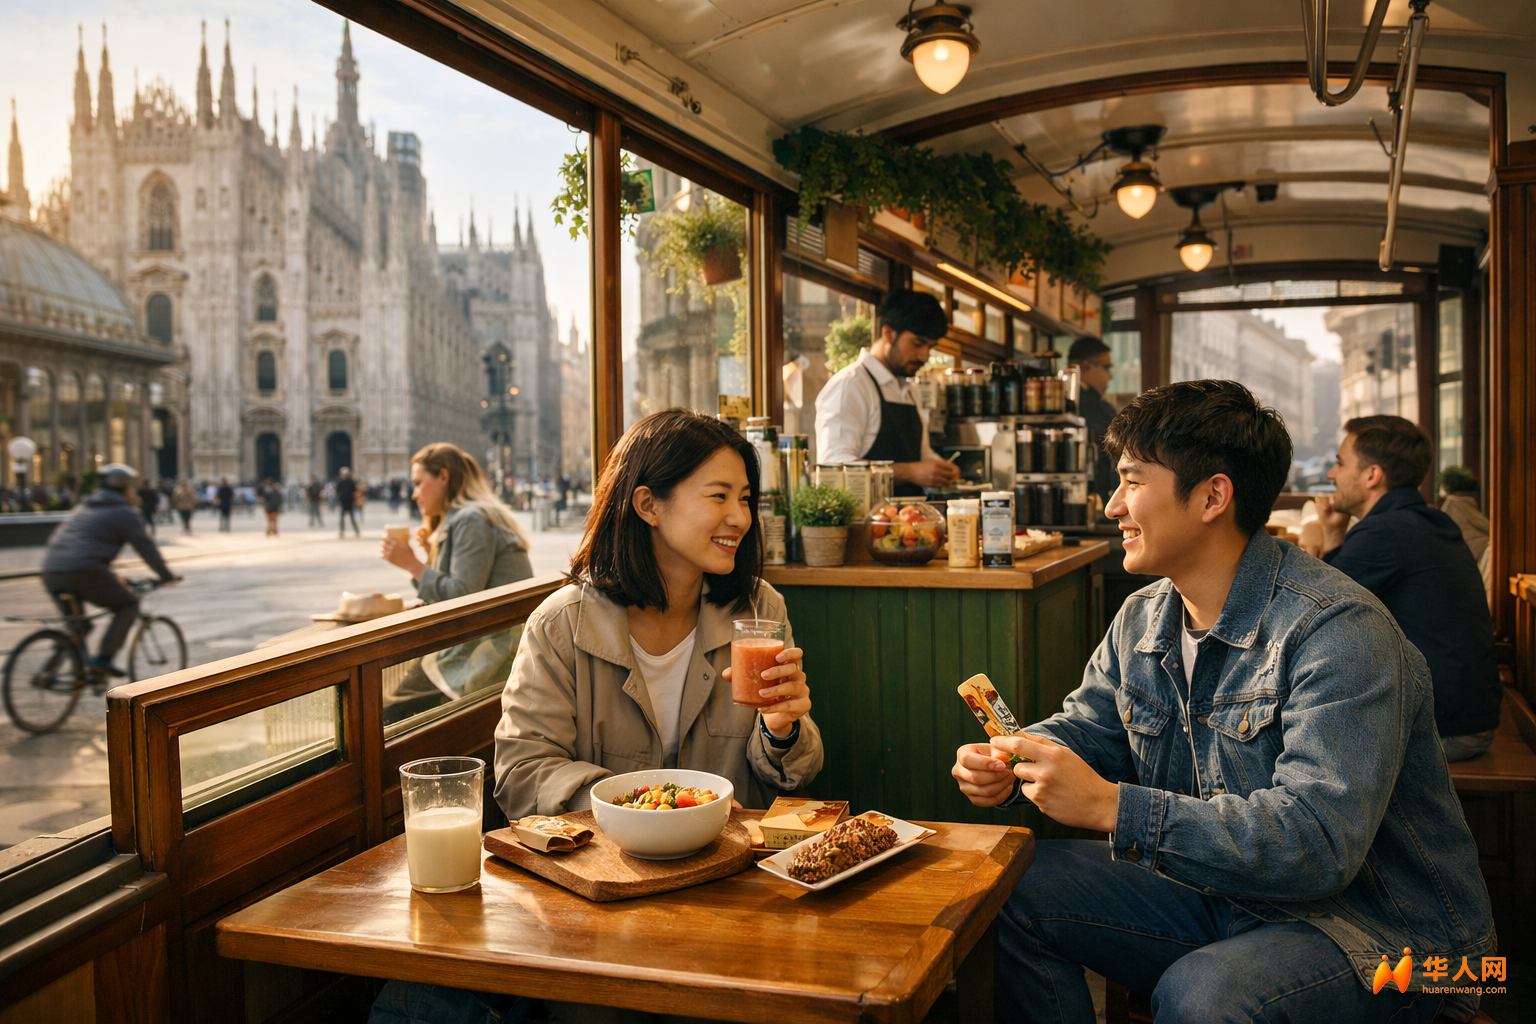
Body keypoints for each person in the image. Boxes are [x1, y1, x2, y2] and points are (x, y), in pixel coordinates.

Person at [951, 381, 1492, 1024]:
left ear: (1213, 495)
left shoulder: (1340, 629)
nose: (1111, 505)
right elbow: (1092, 728)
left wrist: (1113, 807)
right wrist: (1014, 762)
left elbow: (1317, 845)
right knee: (1000, 888)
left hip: (1396, 938)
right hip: (1226, 895)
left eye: (1132, 481)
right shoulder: (1143, 617)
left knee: (1204, 994)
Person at [372, 412, 824, 1024]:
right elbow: (522, 772)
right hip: (596, 903)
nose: (741, 518)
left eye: (745, 498)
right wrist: (647, 807)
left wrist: (783, 728)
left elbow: (794, 779)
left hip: (731, 894)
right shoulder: (563, 623)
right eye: (719, 496)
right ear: (647, 504)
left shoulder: (758, 609)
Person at [1316, 415, 1502, 762]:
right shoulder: (1424, 520)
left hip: (1444, 731)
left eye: (1340, 464)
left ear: (1372, 475)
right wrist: (1333, 535)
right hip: (1468, 719)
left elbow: (1311, 613)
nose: (1331, 474)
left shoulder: (1384, 533)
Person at [378, 443, 535, 721]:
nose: (414, 494)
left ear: (443, 477)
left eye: (417, 483)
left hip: (486, 652)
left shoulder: (472, 519)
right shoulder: (465, 517)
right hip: (485, 642)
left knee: (387, 717)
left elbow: (463, 595)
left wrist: (413, 565)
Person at [813, 289, 960, 496]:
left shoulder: (910, 391)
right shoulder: (850, 386)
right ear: (888, 333)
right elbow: (834, 467)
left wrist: (940, 469)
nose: (924, 355)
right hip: (866, 524)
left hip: (911, 522)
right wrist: (909, 472)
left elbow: (922, 454)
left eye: (930, 347)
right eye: (917, 343)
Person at [39, 464, 180, 677]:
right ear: (124, 489)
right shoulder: (123, 512)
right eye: (131, 487)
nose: (133, 491)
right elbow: (146, 548)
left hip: (51, 570)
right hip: (84, 571)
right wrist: (166, 576)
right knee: (128, 605)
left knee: (79, 627)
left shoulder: (84, 508)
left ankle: (48, 672)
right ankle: (103, 659)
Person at [1067, 336, 1119, 512]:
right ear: (1084, 366)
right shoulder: (1083, 407)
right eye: (1106, 367)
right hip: (1093, 500)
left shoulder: (1099, 406)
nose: (1110, 375)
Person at [335, 467, 360, 537]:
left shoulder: (350, 481)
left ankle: (357, 531)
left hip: (350, 502)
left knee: (352, 518)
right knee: (342, 518)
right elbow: (337, 490)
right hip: (343, 502)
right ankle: (342, 531)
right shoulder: (340, 481)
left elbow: (354, 490)